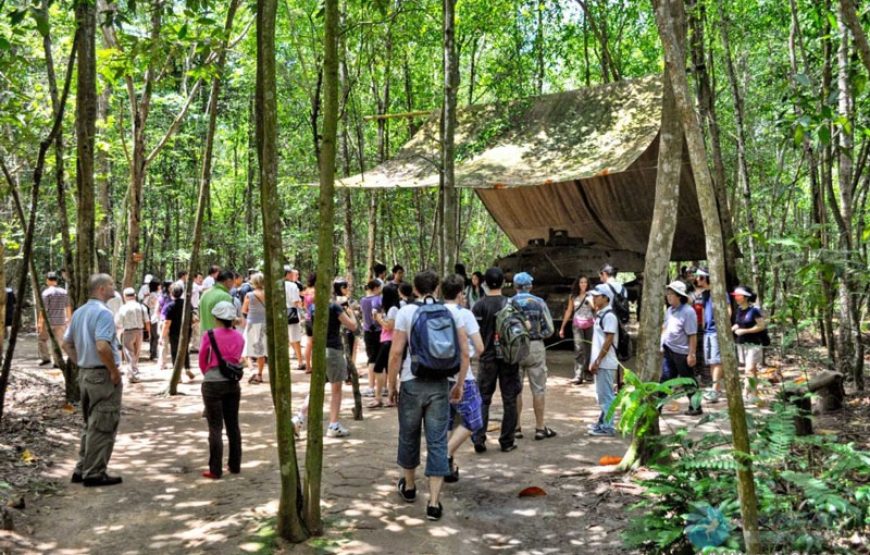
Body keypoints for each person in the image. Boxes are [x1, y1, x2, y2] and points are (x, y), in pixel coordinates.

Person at [387, 270, 469, 522]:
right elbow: (464, 352)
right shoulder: (451, 312)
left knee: (409, 434)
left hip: (412, 381)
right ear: (436, 289)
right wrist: (459, 383)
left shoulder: (406, 312)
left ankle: (410, 487)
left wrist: (392, 385)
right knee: (437, 441)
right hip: (440, 384)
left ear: (415, 289)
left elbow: (396, 353)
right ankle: (434, 503)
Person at [62, 274, 123, 487]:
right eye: (111, 284)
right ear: (102, 288)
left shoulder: (79, 312)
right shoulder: (103, 313)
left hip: (85, 374)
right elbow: (102, 346)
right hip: (101, 375)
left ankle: (82, 468)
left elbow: (66, 344)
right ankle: (94, 473)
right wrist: (113, 371)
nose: (114, 287)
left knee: (91, 423)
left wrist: (81, 362)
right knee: (103, 424)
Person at [292, 278, 358, 437]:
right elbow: (352, 326)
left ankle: (299, 417)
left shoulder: (313, 308)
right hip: (333, 351)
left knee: (317, 388)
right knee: (336, 389)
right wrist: (351, 313)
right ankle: (333, 425)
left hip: (320, 351)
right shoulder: (334, 307)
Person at [471, 267, 521, 453]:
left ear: (485, 282)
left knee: (483, 399)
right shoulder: (511, 304)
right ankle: (507, 441)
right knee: (510, 399)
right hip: (509, 357)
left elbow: (474, 333)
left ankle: (479, 438)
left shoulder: (479, 306)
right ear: (503, 283)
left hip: (487, 358)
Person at [441, 274, 484, 484]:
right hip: (462, 376)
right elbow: (480, 347)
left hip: (438, 376)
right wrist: (470, 353)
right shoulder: (464, 314)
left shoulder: (435, 312)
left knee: (447, 421)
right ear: (460, 294)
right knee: (473, 418)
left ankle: (447, 466)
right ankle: (444, 456)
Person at [198, 301, 244, 480]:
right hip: (232, 383)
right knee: (233, 425)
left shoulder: (209, 335)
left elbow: (202, 359)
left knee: (215, 427)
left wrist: (208, 373)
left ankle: (215, 469)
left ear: (216, 318)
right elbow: (237, 358)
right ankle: (235, 464)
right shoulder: (239, 337)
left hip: (212, 384)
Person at [512, 272, 557, 440]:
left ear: (515, 286)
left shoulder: (509, 303)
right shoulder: (539, 302)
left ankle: (516, 427)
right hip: (535, 347)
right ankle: (539, 427)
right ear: (530, 286)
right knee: (538, 389)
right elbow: (550, 329)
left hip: (515, 348)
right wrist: (538, 334)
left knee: (516, 390)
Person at [661, 280, 702, 416]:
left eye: (671, 294)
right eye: (668, 293)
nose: (668, 296)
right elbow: (665, 328)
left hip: (682, 352)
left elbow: (692, 335)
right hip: (669, 350)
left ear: (679, 296)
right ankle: (656, 407)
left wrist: (692, 354)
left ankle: (696, 406)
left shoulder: (688, 312)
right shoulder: (669, 310)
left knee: (688, 380)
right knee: (665, 379)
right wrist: (661, 343)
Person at [587, 284, 619, 436]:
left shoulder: (609, 316)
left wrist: (598, 360)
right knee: (602, 394)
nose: (594, 298)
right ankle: (602, 423)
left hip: (606, 363)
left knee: (606, 395)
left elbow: (608, 340)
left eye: (597, 296)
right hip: (601, 362)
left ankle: (608, 426)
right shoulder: (601, 314)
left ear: (606, 298)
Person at [731, 285, 767, 404]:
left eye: (738, 295)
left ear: (746, 297)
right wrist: (733, 328)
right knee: (752, 370)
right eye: (735, 295)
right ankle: (754, 395)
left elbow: (761, 326)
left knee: (749, 369)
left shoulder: (754, 310)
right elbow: (739, 323)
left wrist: (745, 331)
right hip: (742, 343)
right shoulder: (739, 310)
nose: (736, 297)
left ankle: (745, 394)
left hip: (754, 344)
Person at [695, 269, 724, 403]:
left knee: (716, 360)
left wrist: (721, 327)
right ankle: (715, 387)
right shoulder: (704, 294)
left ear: (706, 278)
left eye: (700, 277)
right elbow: (703, 310)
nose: (697, 280)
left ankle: (715, 389)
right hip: (707, 331)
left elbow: (728, 311)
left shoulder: (719, 292)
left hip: (716, 330)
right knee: (711, 361)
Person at [560, 275, 594, 385]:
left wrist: (590, 301)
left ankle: (588, 372)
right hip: (577, 324)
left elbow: (595, 309)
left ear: (588, 284)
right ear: (578, 284)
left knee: (589, 349)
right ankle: (578, 375)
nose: (583, 284)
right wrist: (562, 327)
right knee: (579, 348)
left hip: (590, 323)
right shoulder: (573, 296)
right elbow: (569, 311)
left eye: (585, 282)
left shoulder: (592, 295)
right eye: (581, 282)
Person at [370, 284, 400, 408]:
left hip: (389, 341)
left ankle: (379, 398)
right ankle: (391, 398)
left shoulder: (393, 309)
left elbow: (389, 326)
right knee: (389, 370)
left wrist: (378, 318)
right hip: (386, 341)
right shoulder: (391, 309)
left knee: (378, 368)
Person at [115, 288, 150, 384]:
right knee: (136, 353)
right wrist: (149, 332)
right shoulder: (141, 306)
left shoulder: (123, 308)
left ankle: (132, 374)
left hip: (128, 332)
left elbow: (118, 323)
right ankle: (134, 372)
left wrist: (118, 333)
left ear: (124, 297)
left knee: (129, 353)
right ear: (135, 296)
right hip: (139, 332)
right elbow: (147, 321)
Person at [38, 271, 71, 367]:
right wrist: (69, 320)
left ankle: (46, 358)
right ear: (56, 280)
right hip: (60, 321)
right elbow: (68, 307)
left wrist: (40, 322)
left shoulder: (46, 293)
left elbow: (43, 309)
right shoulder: (64, 292)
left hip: (48, 322)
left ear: (48, 281)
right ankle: (57, 362)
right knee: (58, 342)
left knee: (42, 339)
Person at [161, 284, 193, 379]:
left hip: (174, 332)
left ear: (171, 293)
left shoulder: (170, 306)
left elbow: (167, 323)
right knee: (185, 349)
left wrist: (162, 336)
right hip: (187, 331)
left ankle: (177, 375)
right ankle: (187, 368)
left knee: (175, 352)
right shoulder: (188, 304)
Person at [242, 273, 268, 384]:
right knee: (260, 351)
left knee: (247, 348)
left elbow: (244, 310)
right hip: (264, 324)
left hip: (252, 324)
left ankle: (252, 370)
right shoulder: (268, 294)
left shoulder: (249, 295)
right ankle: (259, 374)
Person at [359, 280, 383, 398]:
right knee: (378, 359)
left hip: (368, 332)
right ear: (376, 288)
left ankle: (371, 387)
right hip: (378, 331)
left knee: (371, 359)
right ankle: (378, 388)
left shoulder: (363, 300)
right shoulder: (379, 299)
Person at [284, 267, 305, 370]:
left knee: (286, 338)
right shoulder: (292, 285)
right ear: (287, 274)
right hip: (291, 313)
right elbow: (295, 301)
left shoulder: (274, 285)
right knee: (295, 338)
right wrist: (302, 309)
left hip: (280, 314)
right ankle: (300, 362)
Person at [301, 273, 317, 373]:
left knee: (309, 343)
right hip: (315, 319)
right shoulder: (317, 290)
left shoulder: (306, 291)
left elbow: (304, 306)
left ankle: (308, 366)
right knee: (317, 343)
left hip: (308, 318)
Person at [141, 278, 160, 360]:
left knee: (153, 335)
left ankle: (153, 352)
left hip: (153, 316)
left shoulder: (152, 294)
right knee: (155, 335)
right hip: (155, 317)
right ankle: (154, 353)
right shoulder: (153, 295)